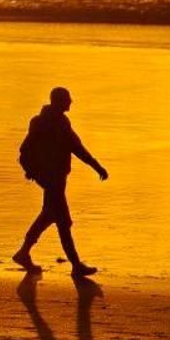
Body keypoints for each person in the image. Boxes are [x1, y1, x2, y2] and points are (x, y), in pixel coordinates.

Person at [13, 86, 109, 277]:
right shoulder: (46, 123)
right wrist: (32, 171)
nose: (71, 102)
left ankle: (23, 253)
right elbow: (25, 150)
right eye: (67, 99)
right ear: (58, 102)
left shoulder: (58, 121)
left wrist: (97, 166)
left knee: (48, 216)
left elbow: (76, 147)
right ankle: (76, 265)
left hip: (56, 179)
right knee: (63, 222)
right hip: (52, 180)